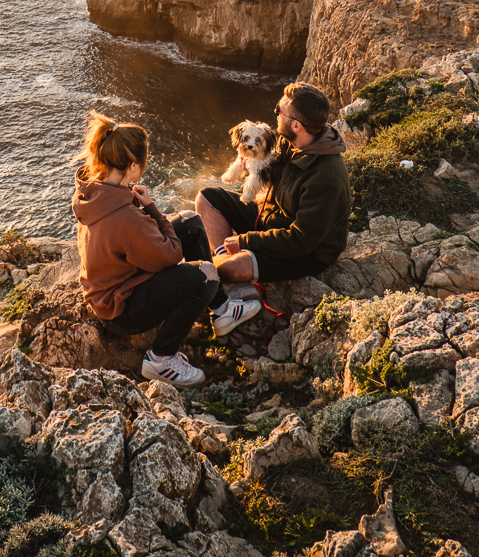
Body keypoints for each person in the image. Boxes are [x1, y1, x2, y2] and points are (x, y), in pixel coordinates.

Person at [72, 111, 260, 387]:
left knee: (190, 221)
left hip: (113, 287)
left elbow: (137, 239)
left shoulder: (94, 192)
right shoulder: (126, 217)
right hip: (121, 311)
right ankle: (160, 358)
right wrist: (151, 208)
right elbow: (171, 254)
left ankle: (220, 309)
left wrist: (145, 210)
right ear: (133, 166)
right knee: (205, 275)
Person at [195, 82, 352, 284]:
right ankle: (223, 256)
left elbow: (299, 240)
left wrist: (245, 240)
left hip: (304, 252)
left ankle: (223, 267)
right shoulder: (291, 141)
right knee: (206, 198)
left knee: (233, 268)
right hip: (270, 218)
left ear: (297, 125)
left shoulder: (326, 179)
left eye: (279, 111)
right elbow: (270, 171)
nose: (275, 113)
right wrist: (252, 165)